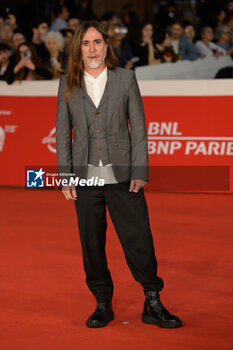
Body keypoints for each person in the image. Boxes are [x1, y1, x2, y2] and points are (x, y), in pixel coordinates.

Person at [56, 20, 182, 329]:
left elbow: (138, 127)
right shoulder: (67, 82)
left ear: (106, 45)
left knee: (138, 239)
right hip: (85, 178)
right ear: (78, 49)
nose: (92, 49)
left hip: (124, 175)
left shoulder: (126, 79)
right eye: (85, 44)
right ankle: (102, 303)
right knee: (91, 243)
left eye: (97, 42)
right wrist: (65, 176)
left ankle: (152, 300)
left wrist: (140, 169)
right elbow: (62, 132)